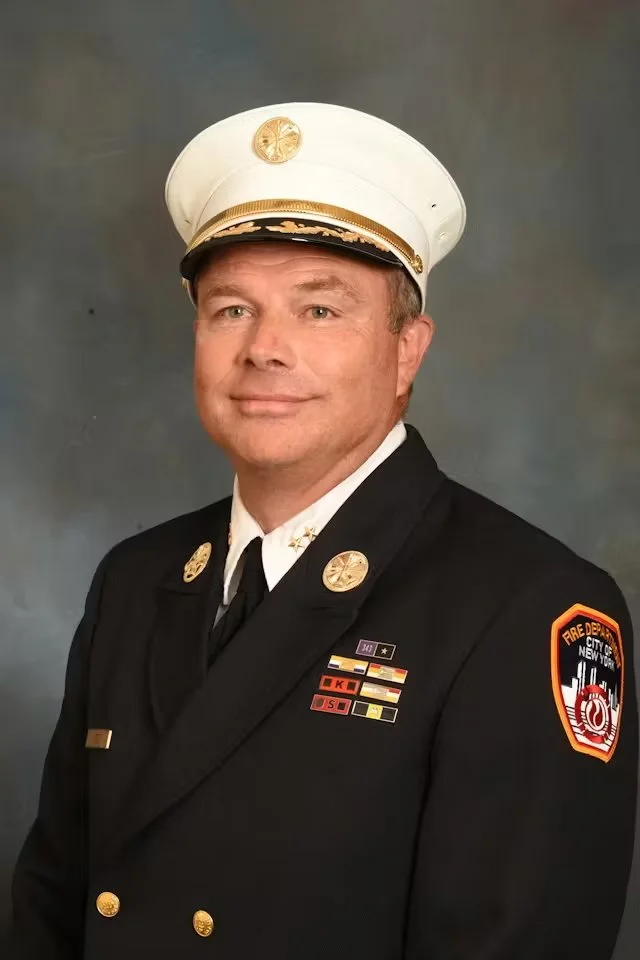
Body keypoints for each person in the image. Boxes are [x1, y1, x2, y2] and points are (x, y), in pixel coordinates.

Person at [9, 102, 637, 960]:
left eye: (319, 311)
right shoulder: (134, 578)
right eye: (231, 309)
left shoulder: (528, 608)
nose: (265, 349)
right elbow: (51, 903)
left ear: (407, 350)